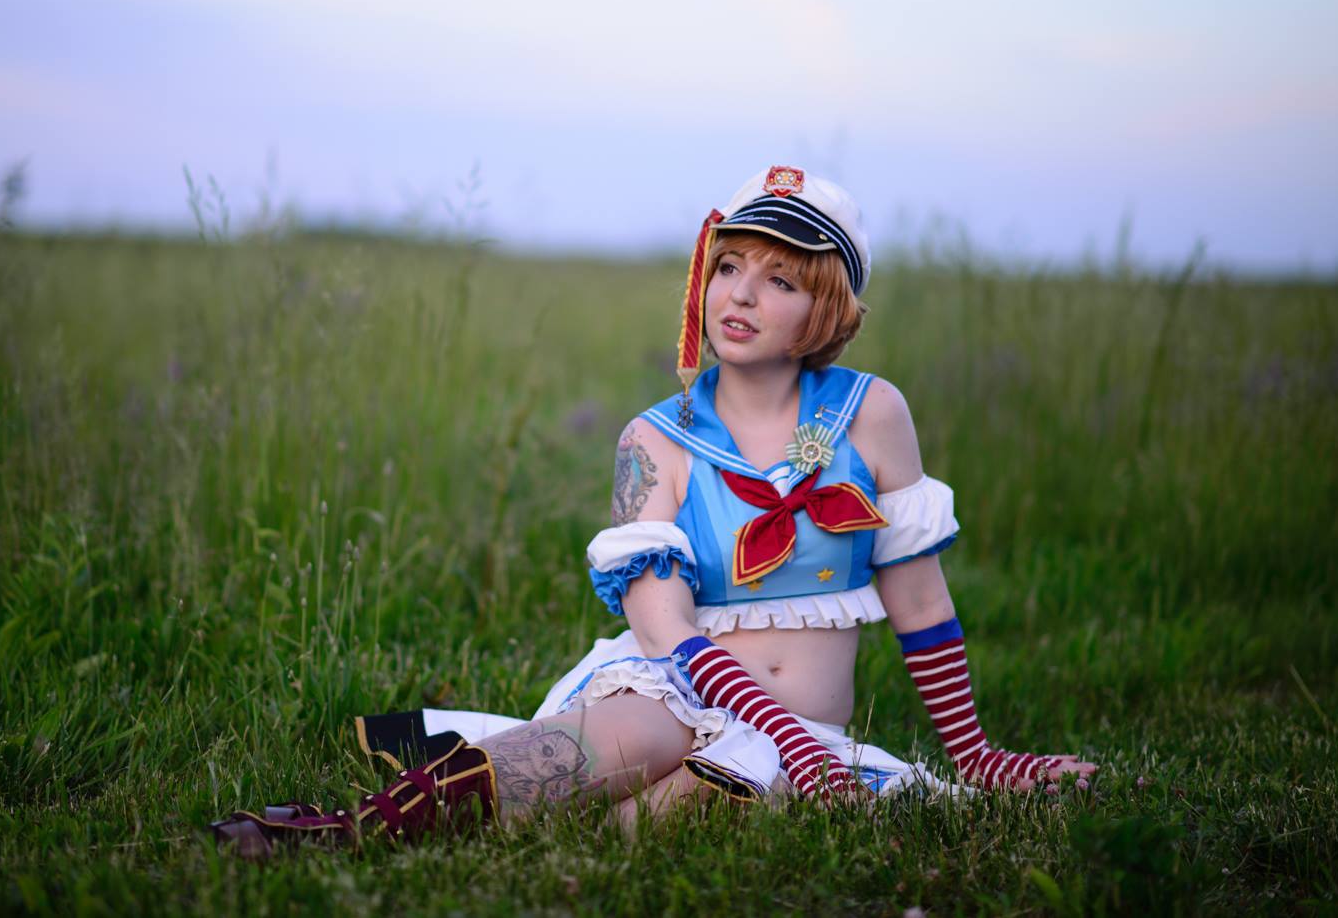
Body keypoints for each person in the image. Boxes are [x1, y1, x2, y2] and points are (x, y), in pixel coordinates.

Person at [211, 165, 1097, 855]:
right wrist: (781, 732)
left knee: (641, 831)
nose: (739, 295)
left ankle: (573, 816)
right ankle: (342, 831)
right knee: (608, 747)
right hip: (678, 685)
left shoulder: (872, 413)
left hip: (804, 731)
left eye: (780, 281)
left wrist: (978, 757)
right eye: (729, 267)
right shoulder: (655, 439)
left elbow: (920, 598)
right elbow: (663, 627)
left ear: (826, 308)